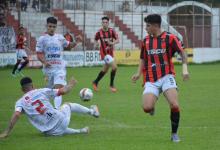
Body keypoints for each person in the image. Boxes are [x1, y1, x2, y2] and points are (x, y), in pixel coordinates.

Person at [131, 14, 189, 142]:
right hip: (151, 79)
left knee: (174, 105)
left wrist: (184, 69)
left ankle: (174, 134)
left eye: (148, 25)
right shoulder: (146, 41)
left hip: (167, 76)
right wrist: (138, 73)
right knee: (146, 108)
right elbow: (142, 58)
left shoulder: (170, 38)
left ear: (156, 26)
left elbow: (183, 53)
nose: (146, 28)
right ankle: (152, 106)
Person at [0, 76, 100, 138]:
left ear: (22, 89)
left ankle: (80, 131)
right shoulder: (40, 91)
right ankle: (93, 112)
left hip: (50, 132)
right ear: (33, 85)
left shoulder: (20, 102)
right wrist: (71, 84)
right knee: (67, 104)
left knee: (57, 128)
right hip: (61, 121)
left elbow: (17, 114)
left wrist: (6, 132)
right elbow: (63, 91)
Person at [36, 17, 81, 109]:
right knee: (49, 91)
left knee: (58, 88)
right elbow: (39, 54)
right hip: (48, 70)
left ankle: (57, 110)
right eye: (50, 26)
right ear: (46, 26)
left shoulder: (60, 38)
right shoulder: (42, 39)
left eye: (53, 27)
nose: (52, 28)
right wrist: (44, 62)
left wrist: (76, 41)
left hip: (59, 68)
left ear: (56, 27)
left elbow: (69, 45)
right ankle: (43, 107)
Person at [92, 16, 119, 93]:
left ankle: (95, 82)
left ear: (108, 23)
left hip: (110, 53)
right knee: (114, 67)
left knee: (105, 70)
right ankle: (111, 85)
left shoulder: (112, 31)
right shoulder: (99, 32)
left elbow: (117, 40)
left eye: (106, 22)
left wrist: (112, 43)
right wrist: (96, 44)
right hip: (104, 54)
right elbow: (95, 40)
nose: (104, 24)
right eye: (103, 22)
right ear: (102, 23)